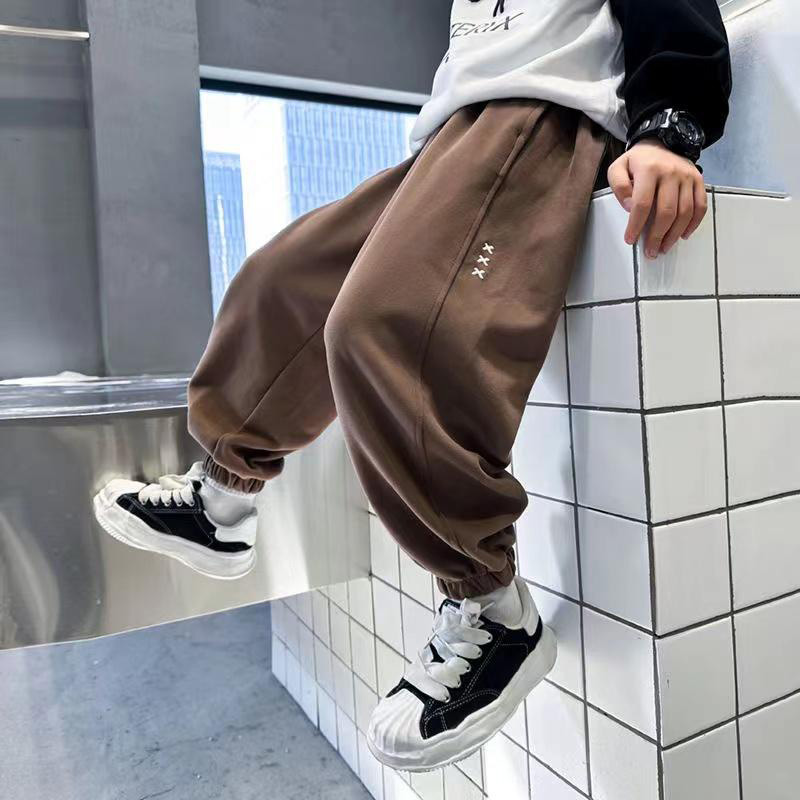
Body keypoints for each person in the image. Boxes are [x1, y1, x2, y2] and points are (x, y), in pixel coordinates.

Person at [94, 0, 731, 771]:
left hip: (542, 116)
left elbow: (675, 11)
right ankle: (222, 502)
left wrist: (670, 129)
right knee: (280, 282)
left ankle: (494, 609)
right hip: (449, 140)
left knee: (385, 325)